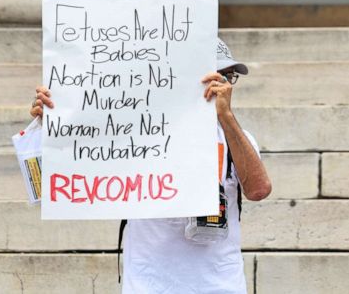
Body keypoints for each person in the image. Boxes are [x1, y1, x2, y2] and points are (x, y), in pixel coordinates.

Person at [31, 38, 272, 293]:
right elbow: (77, 170)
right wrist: (57, 121)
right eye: (216, 76)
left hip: (218, 285)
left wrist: (226, 116)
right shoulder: (135, 134)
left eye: (227, 77)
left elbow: (258, 190)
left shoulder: (236, 137)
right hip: (150, 284)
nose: (221, 85)